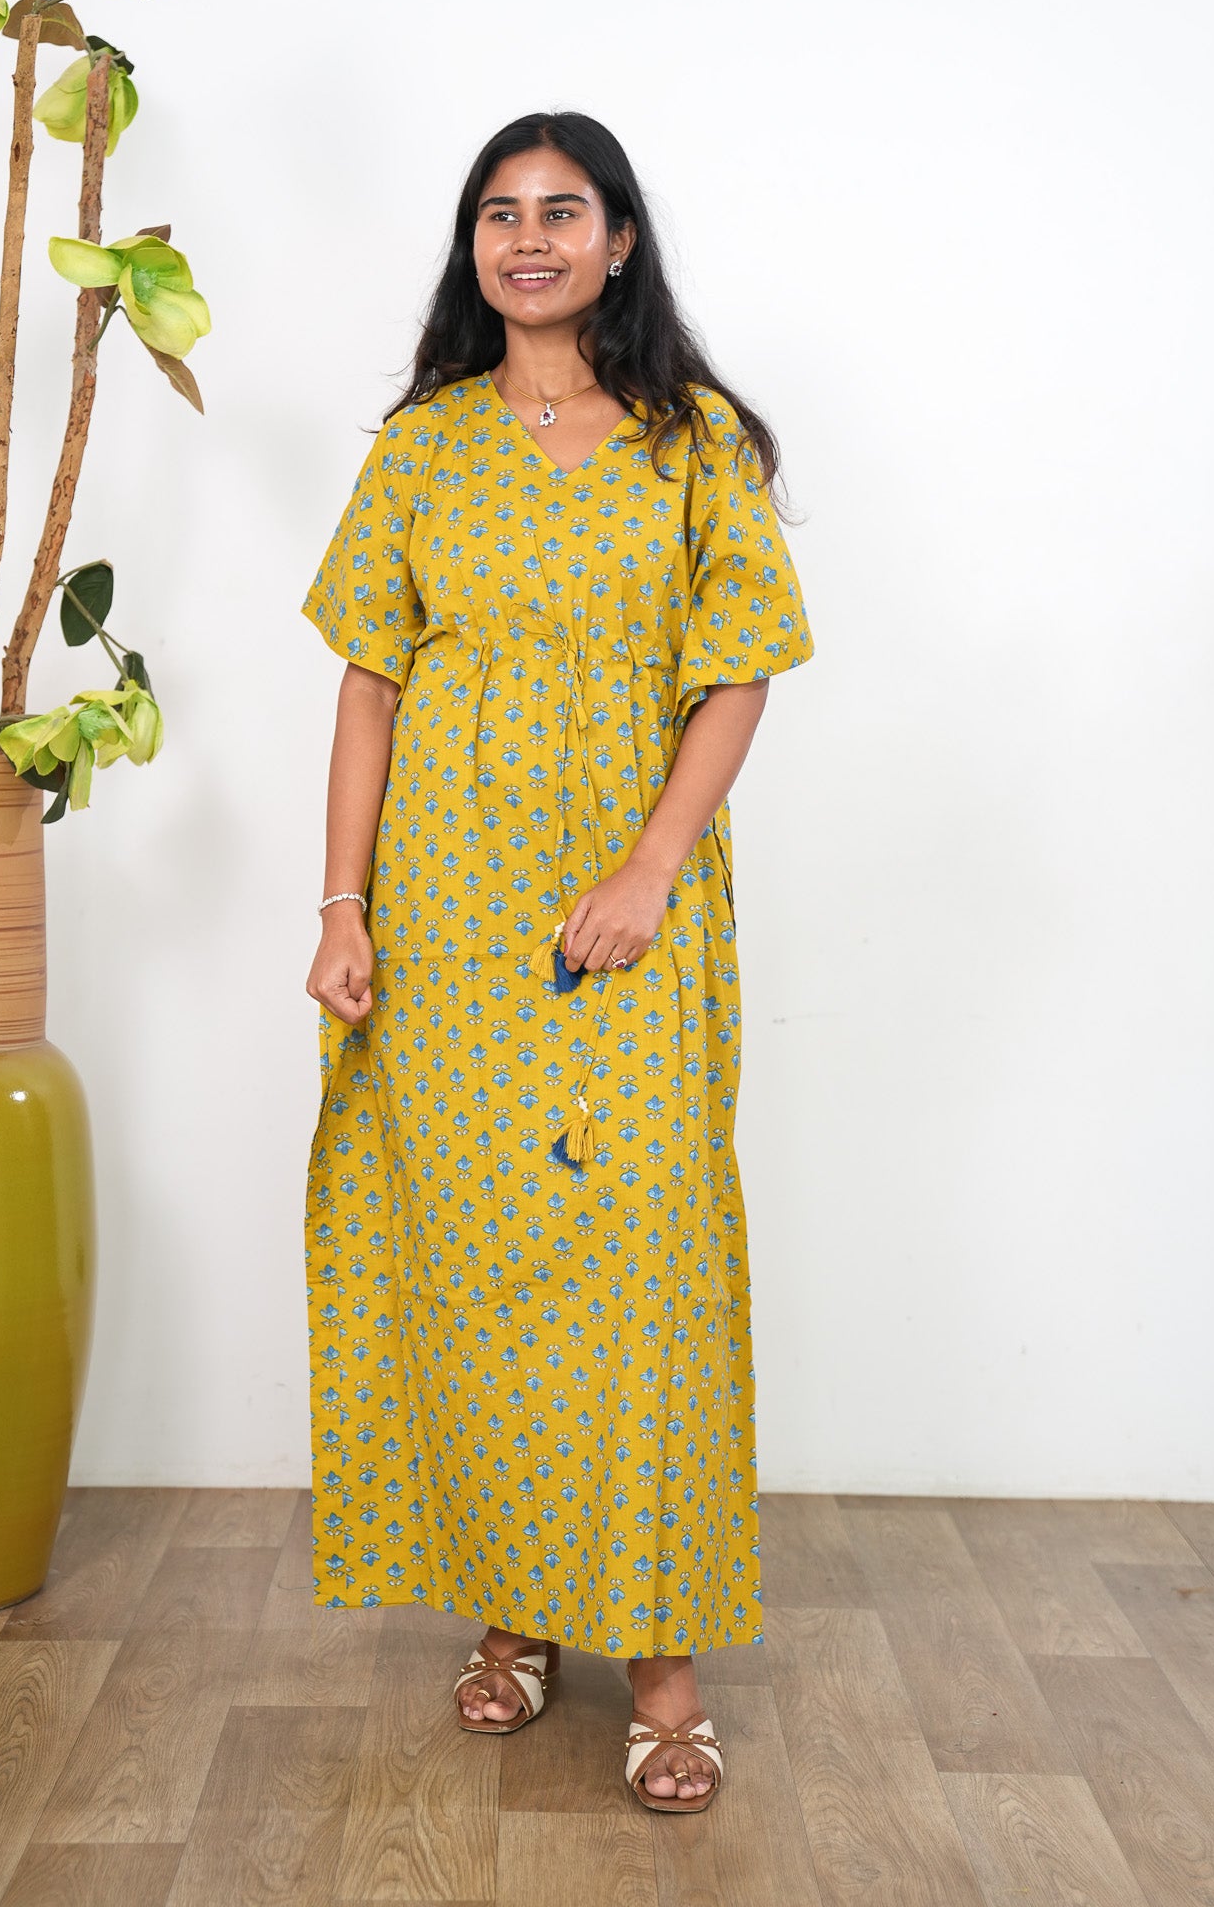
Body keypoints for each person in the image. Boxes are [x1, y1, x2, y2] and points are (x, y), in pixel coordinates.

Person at [302, 110, 814, 1812]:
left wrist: (650, 867)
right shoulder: (423, 449)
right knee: (480, 1268)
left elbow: (737, 669)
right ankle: (515, 1608)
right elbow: (368, 683)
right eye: (498, 214)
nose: (527, 239)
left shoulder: (693, 445)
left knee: (644, 1271)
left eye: (561, 211)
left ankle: (660, 1661)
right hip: (445, 918)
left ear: (618, 241)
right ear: (475, 249)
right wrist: (342, 905)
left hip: (629, 915)